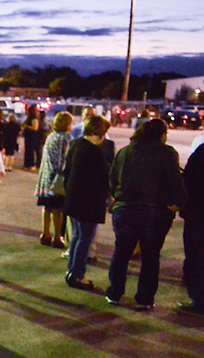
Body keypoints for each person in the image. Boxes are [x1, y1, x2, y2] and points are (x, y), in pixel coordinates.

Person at [106, 119, 186, 310]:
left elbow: (112, 179)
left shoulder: (125, 152)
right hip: (155, 212)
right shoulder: (167, 153)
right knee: (150, 256)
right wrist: (178, 203)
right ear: (161, 135)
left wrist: (118, 197)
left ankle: (115, 292)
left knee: (121, 252)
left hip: (125, 209)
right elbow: (175, 182)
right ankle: (144, 298)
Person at [61, 115, 111, 290]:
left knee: (77, 236)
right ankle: (77, 275)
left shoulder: (76, 145)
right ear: (99, 133)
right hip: (89, 203)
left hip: (74, 200)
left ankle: (72, 271)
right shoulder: (95, 152)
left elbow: (66, 171)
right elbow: (105, 179)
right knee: (85, 239)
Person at [35, 112, 73, 248]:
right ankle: (57, 236)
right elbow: (63, 160)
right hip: (57, 179)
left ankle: (45, 233)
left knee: (47, 207)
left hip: (45, 178)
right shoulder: (66, 138)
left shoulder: (51, 136)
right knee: (58, 209)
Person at [179, 143, 204, 316]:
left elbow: (187, 180)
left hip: (197, 214)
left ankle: (199, 300)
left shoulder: (201, 153)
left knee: (196, 257)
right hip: (196, 213)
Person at [22, 105, 41, 171]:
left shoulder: (34, 119)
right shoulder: (29, 118)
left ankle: (31, 164)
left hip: (32, 136)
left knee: (30, 150)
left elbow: (35, 128)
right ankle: (27, 164)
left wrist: (27, 126)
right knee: (27, 150)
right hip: (28, 136)